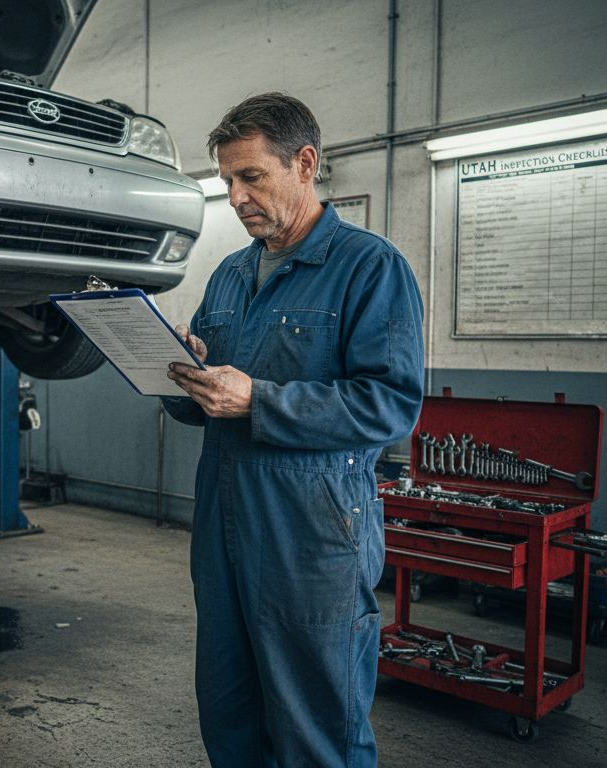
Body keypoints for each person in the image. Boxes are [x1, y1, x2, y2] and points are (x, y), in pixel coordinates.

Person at [163, 92, 424, 767]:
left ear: (304, 164)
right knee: (230, 717)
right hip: (223, 529)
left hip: (312, 540)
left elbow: (390, 404)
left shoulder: (370, 268)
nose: (237, 196)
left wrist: (260, 402)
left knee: (317, 732)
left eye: (252, 177)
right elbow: (212, 399)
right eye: (226, 181)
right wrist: (181, 380)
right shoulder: (227, 275)